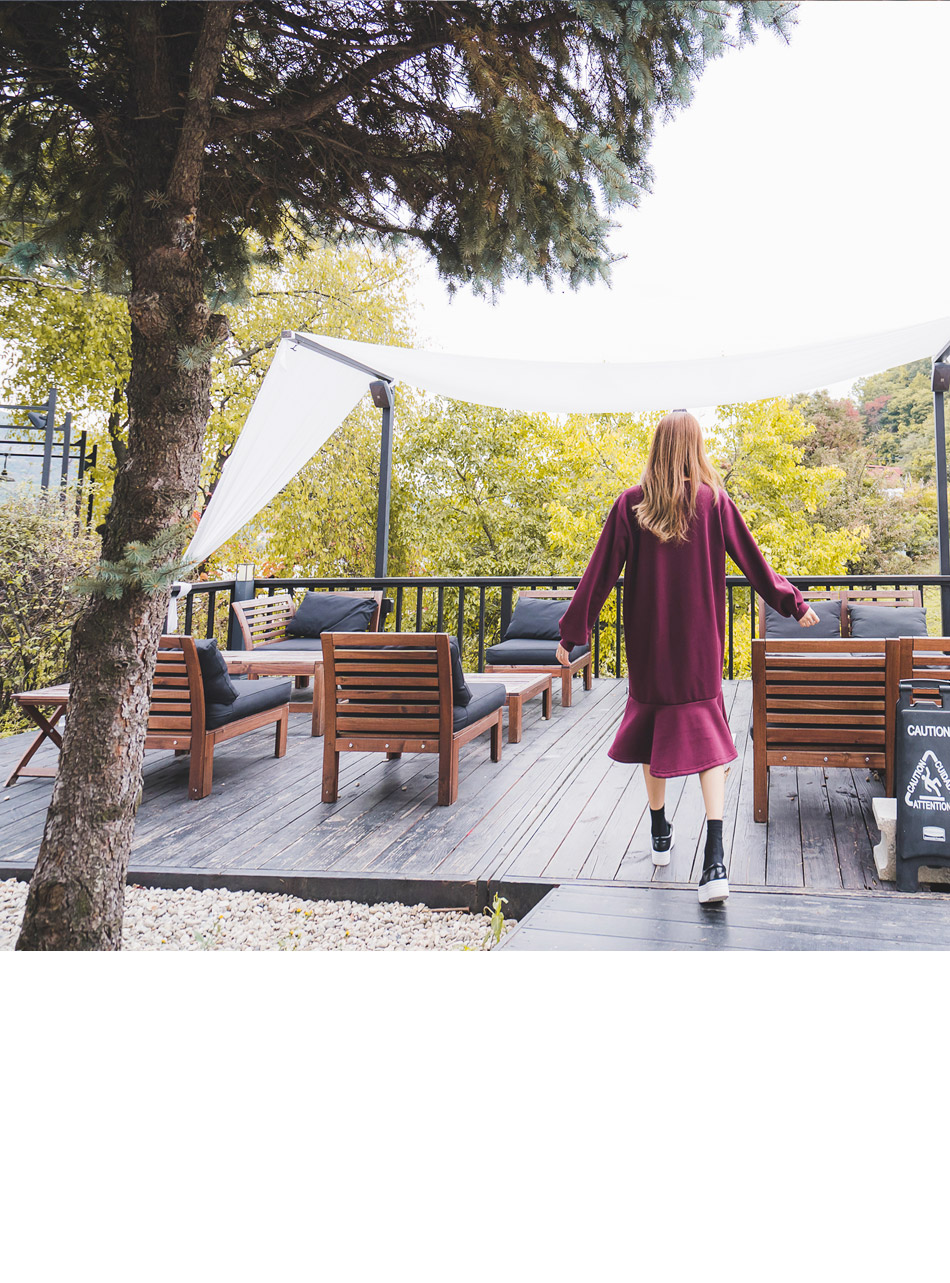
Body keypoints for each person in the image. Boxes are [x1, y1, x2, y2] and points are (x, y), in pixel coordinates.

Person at [555, 410, 819, 904]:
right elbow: (754, 563)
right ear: (695, 446)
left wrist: (573, 634)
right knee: (707, 740)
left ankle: (660, 833)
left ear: (657, 447)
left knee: (651, 730)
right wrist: (793, 603)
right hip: (700, 646)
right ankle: (714, 860)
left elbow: (599, 574)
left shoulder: (631, 504)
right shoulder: (713, 501)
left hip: (650, 646)